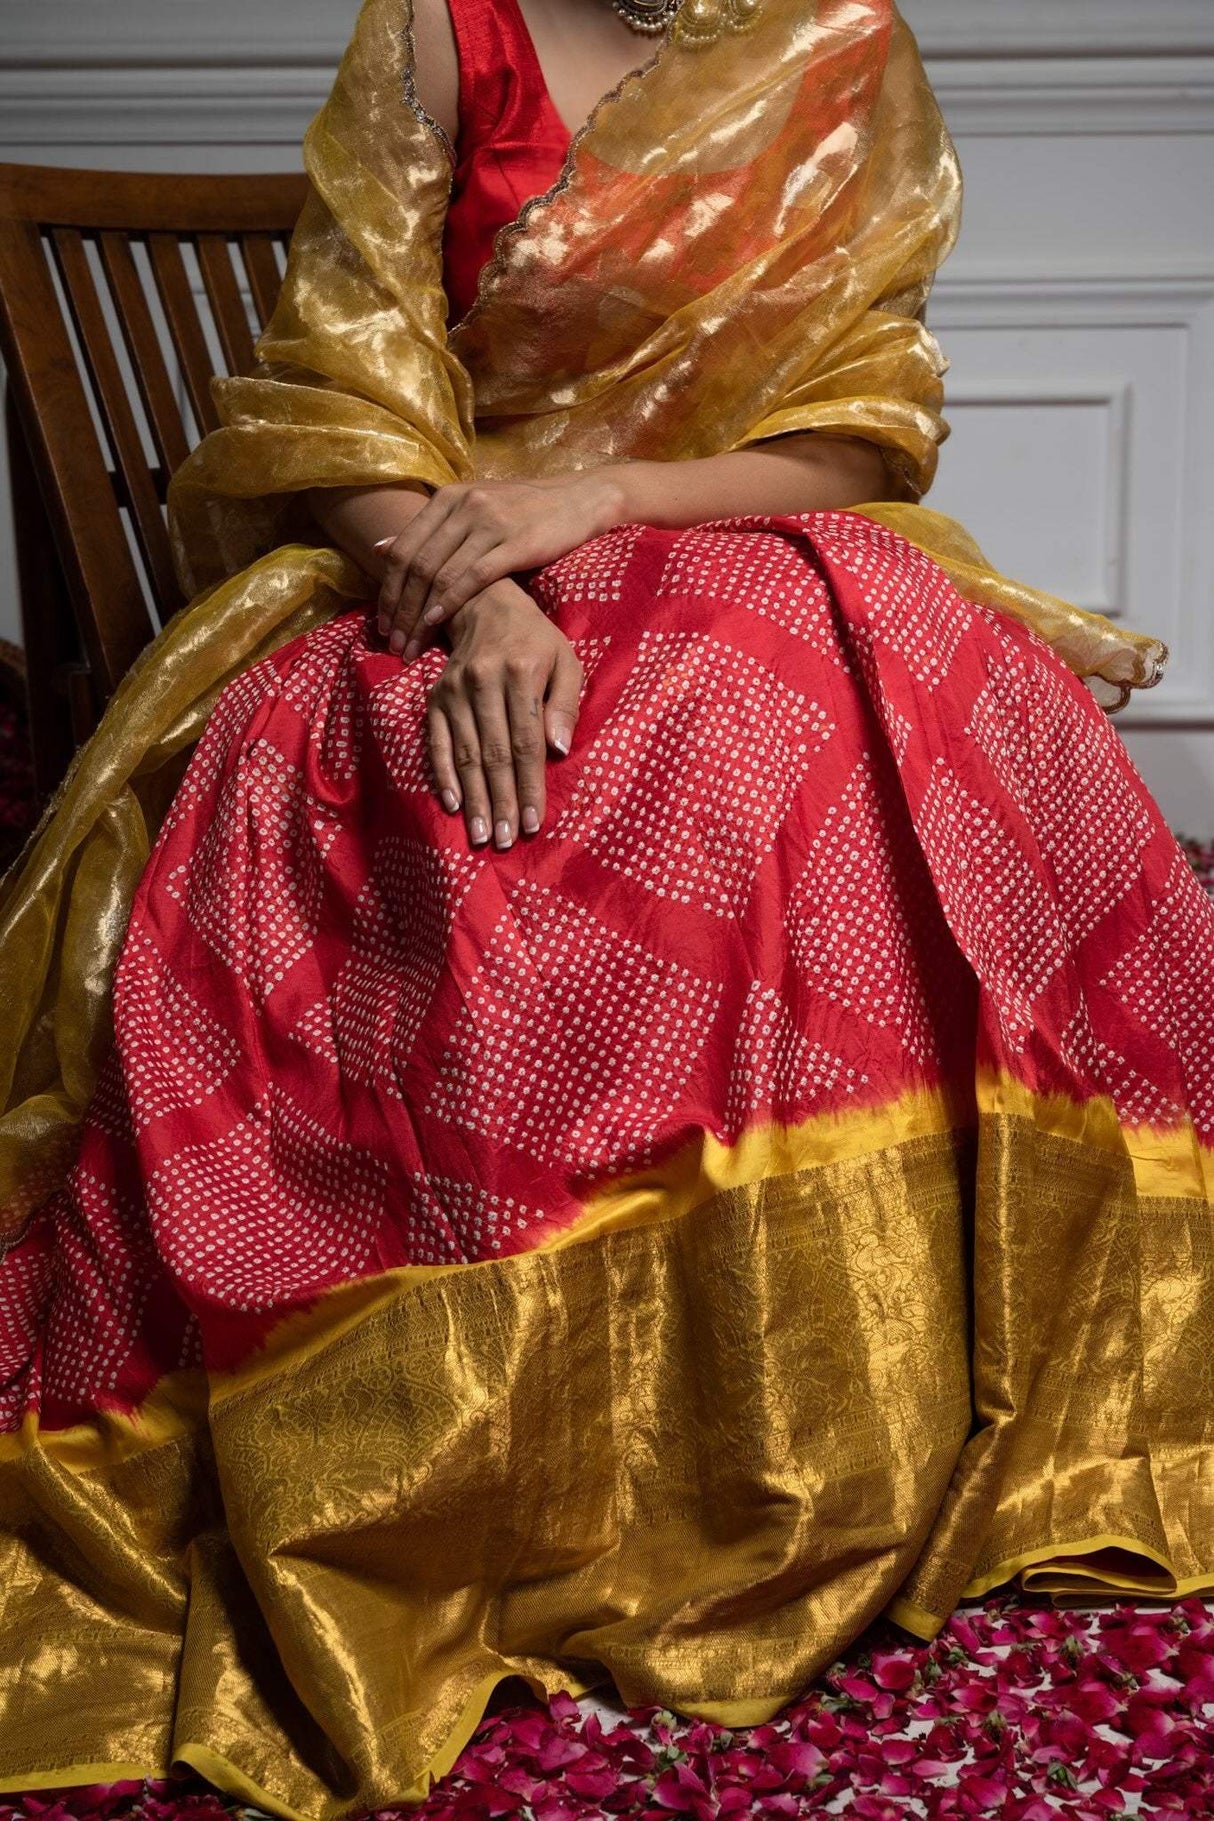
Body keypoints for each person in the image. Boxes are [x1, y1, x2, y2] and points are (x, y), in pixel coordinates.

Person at [0, 0, 1210, 1813]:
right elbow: (337, 402)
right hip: (417, 573)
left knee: (817, 729)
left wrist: (594, 497)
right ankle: (503, 1452)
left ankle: (808, 1428)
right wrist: (475, 579)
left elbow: (858, 429)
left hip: (729, 548)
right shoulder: (434, 30)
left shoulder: (835, 46)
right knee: (531, 777)